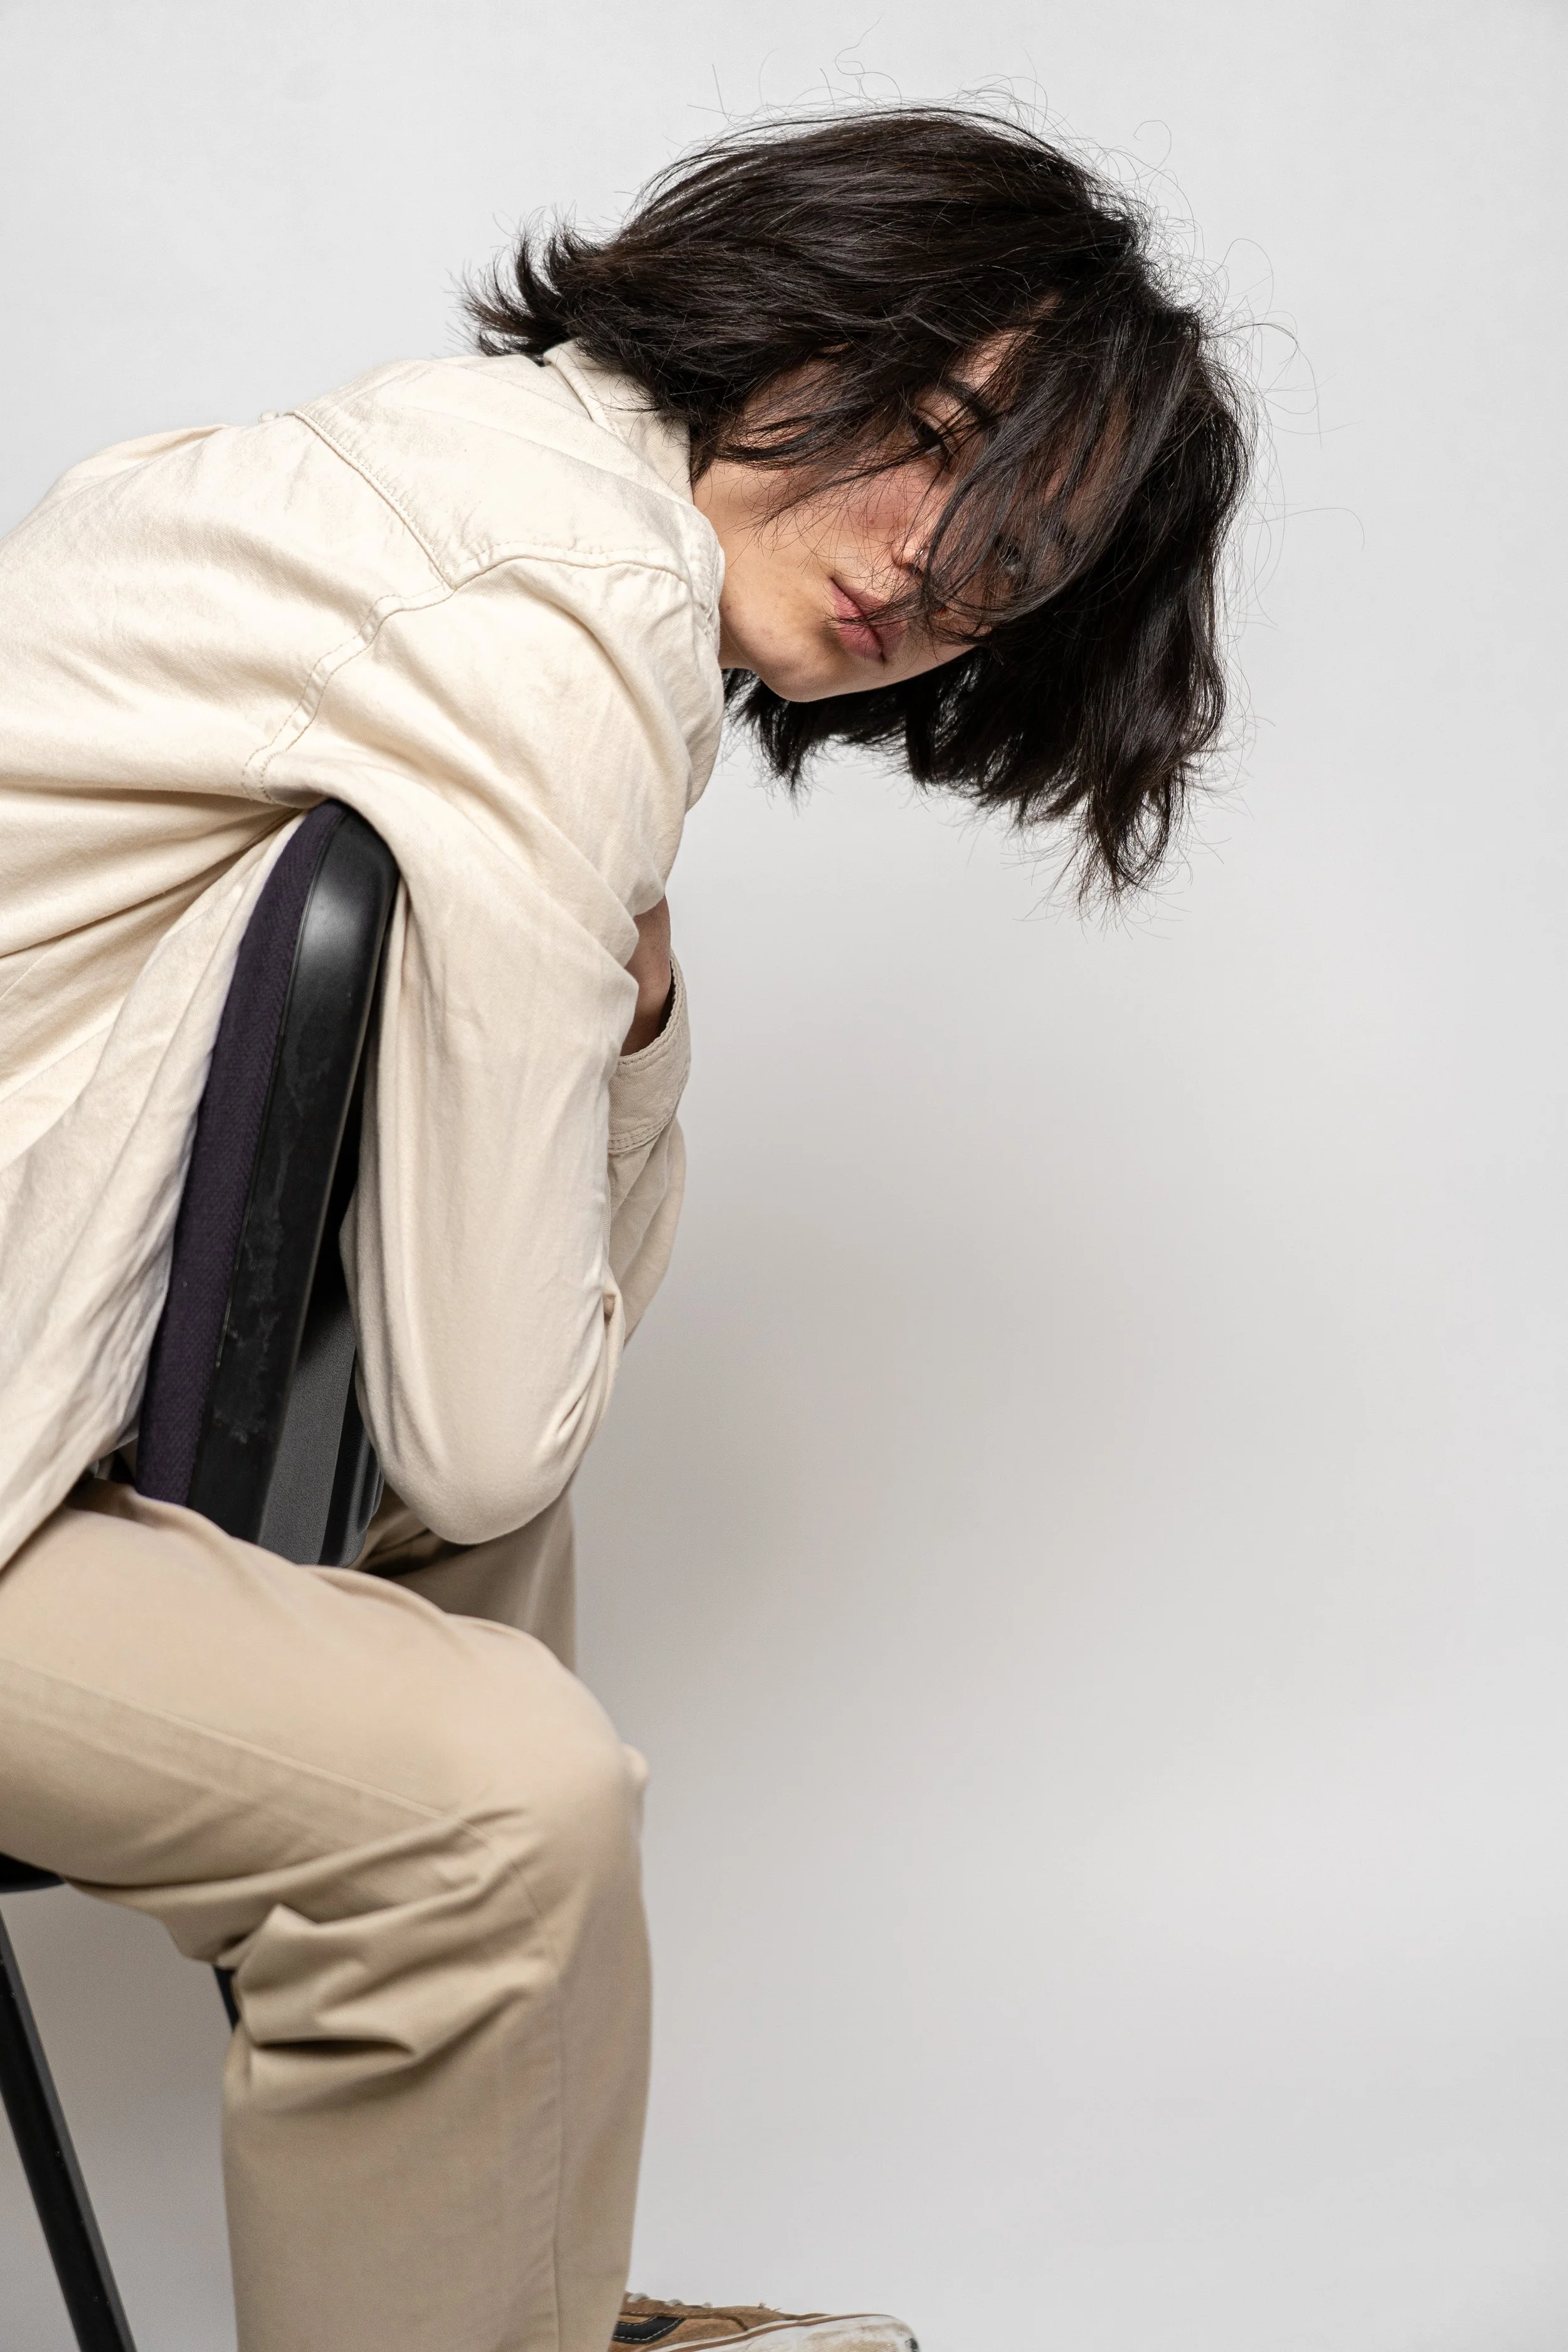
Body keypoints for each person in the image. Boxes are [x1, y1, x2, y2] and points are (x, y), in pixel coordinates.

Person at [0, 104, 1250, 2352]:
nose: (928, 556)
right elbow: (496, 1419)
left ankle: (513, 2306)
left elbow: (461, 1434)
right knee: (494, 1799)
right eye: (924, 431)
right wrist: (641, 1043)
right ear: (784, 314)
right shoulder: (559, 619)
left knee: (461, 1572)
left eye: (1020, 554)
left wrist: (633, 1021)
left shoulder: (478, 491)